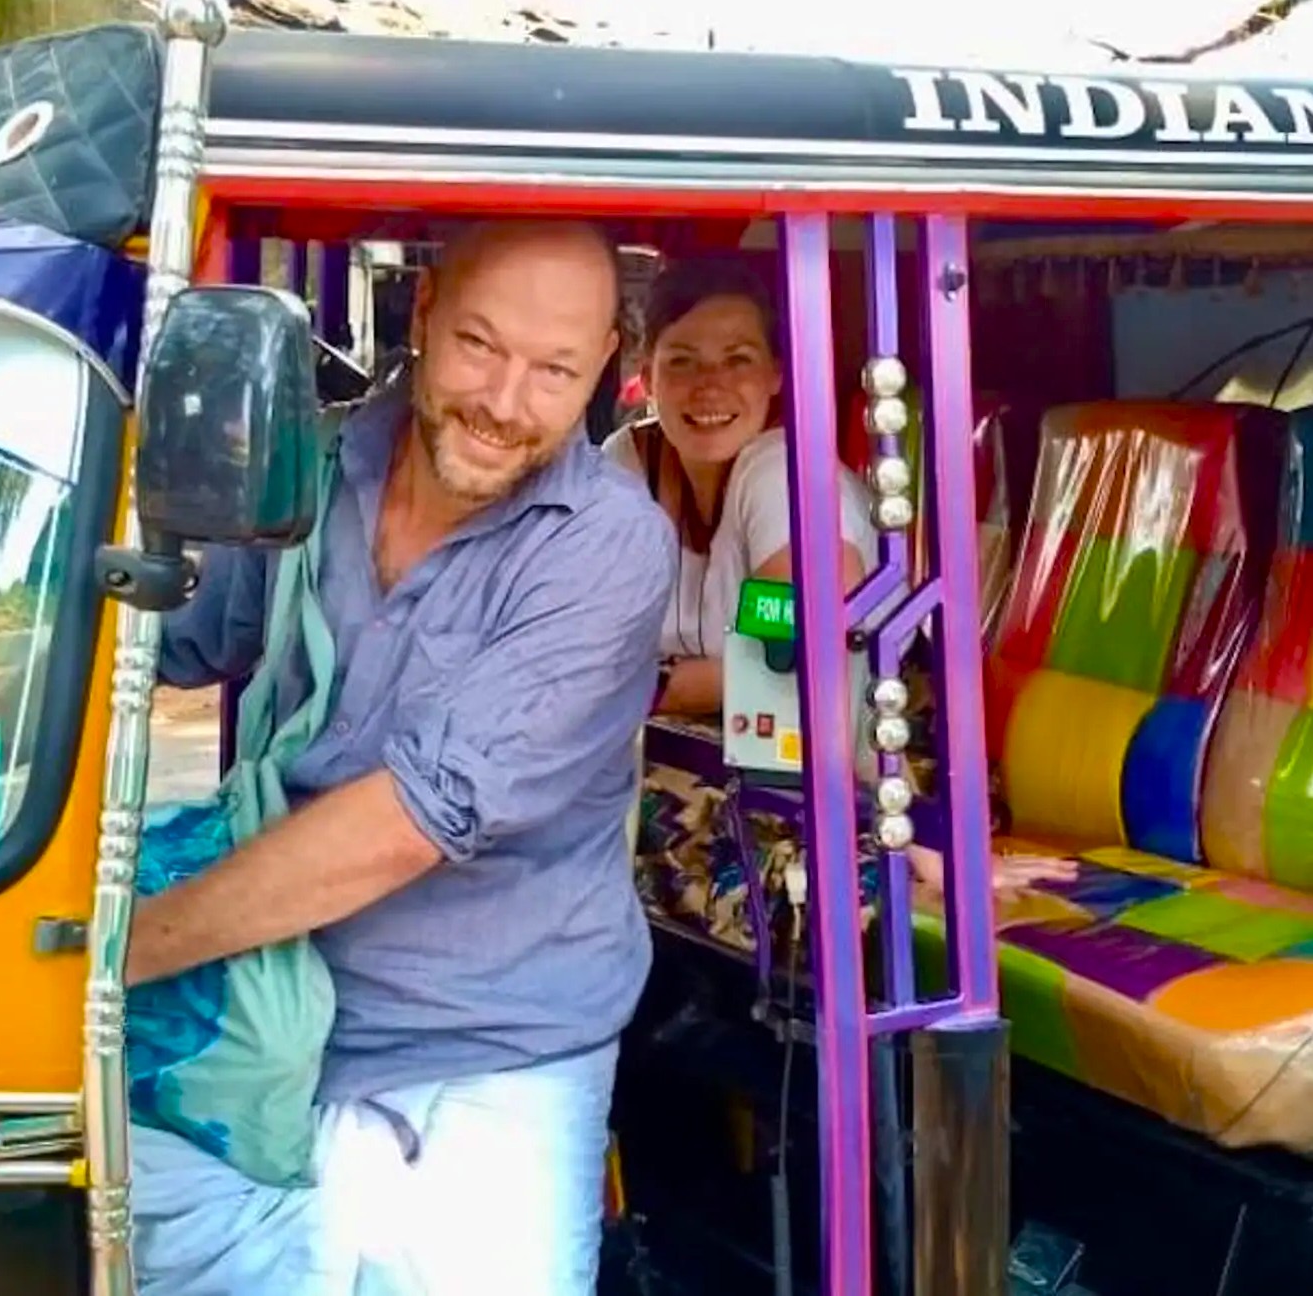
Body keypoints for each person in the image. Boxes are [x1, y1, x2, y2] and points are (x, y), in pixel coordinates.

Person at [126, 219, 675, 1294]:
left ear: (605, 365)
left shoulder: (605, 542)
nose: (505, 401)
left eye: (554, 369)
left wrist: (119, 957)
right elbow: (169, 641)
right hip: (270, 1015)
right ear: (420, 312)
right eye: (479, 345)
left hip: (488, 1047)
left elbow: (408, 820)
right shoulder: (318, 465)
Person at [606, 253, 1071, 934]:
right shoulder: (628, 463)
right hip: (735, 747)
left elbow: (786, 676)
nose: (708, 387)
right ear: (645, 376)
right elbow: (581, 645)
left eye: (736, 359)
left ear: (776, 375)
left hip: (873, 755)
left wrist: (907, 840)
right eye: (681, 361)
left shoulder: (778, 474)